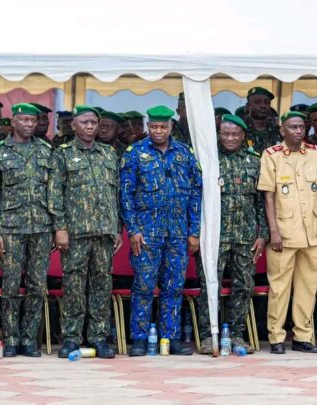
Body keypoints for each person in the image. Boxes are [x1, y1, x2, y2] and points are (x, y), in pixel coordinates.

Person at [120, 105, 201, 356]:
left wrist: (194, 231)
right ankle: (140, 339)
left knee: (174, 286)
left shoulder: (184, 154)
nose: (158, 131)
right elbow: (126, 195)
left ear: (171, 127)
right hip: (146, 233)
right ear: (148, 126)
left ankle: (171, 337)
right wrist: (133, 230)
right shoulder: (135, 153)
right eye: (154, 127)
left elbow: (197, 193)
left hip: (177, 232)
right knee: (143, 286)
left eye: (163, 127)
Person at [48, 105, 122, 359]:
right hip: (76, 233)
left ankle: (99, 337)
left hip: (104, 231)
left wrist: (118, 228)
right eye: (85, 122)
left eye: (94, 122)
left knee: (102, 284)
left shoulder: (109, 154)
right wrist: (60, 228)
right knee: (74, 285)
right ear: (74, 126)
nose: (90, 126)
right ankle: (71, 337)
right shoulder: (62, 155)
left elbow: (116, 194)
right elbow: (55, 193)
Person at [258, 110, 317, 354]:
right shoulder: (271, 156)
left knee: (307, 287)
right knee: (279, 288)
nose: (298, 131)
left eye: (301, 127)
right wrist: (273, 231)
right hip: (284, 233)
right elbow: (268, 195)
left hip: (312, 232)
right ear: (282, 130)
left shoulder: (315, 153)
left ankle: (303, 336)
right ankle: (277, 337)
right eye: (293, 127)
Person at [195, 114, 266, 355]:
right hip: (215, 236)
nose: (230, 138)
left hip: (245, 236)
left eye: (235, 134)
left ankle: (237, 334)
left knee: (244, 286)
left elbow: (261, 202)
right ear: (219, 135)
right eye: (225, 133)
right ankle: (208, 334)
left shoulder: (254, 161)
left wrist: (262, 234)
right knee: (209, 285)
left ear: (243, 136)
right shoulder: (209, 161)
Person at [0, 103, 52, 357]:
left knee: (37, 285)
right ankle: (11, 338)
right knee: (11, 286)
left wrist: (57, 227)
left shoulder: (47, 151)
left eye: (33, 121)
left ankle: (29, 339)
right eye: (23, 120)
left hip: (41, 228)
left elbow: (54, 192)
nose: (29, 125)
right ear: (13, 122)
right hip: (11, 229)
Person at [244, 87, 280, 153]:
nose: (263, 106)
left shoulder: (279, 132)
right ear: (248, 106)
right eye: (257, 102)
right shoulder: (240, 130)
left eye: (267, 102)